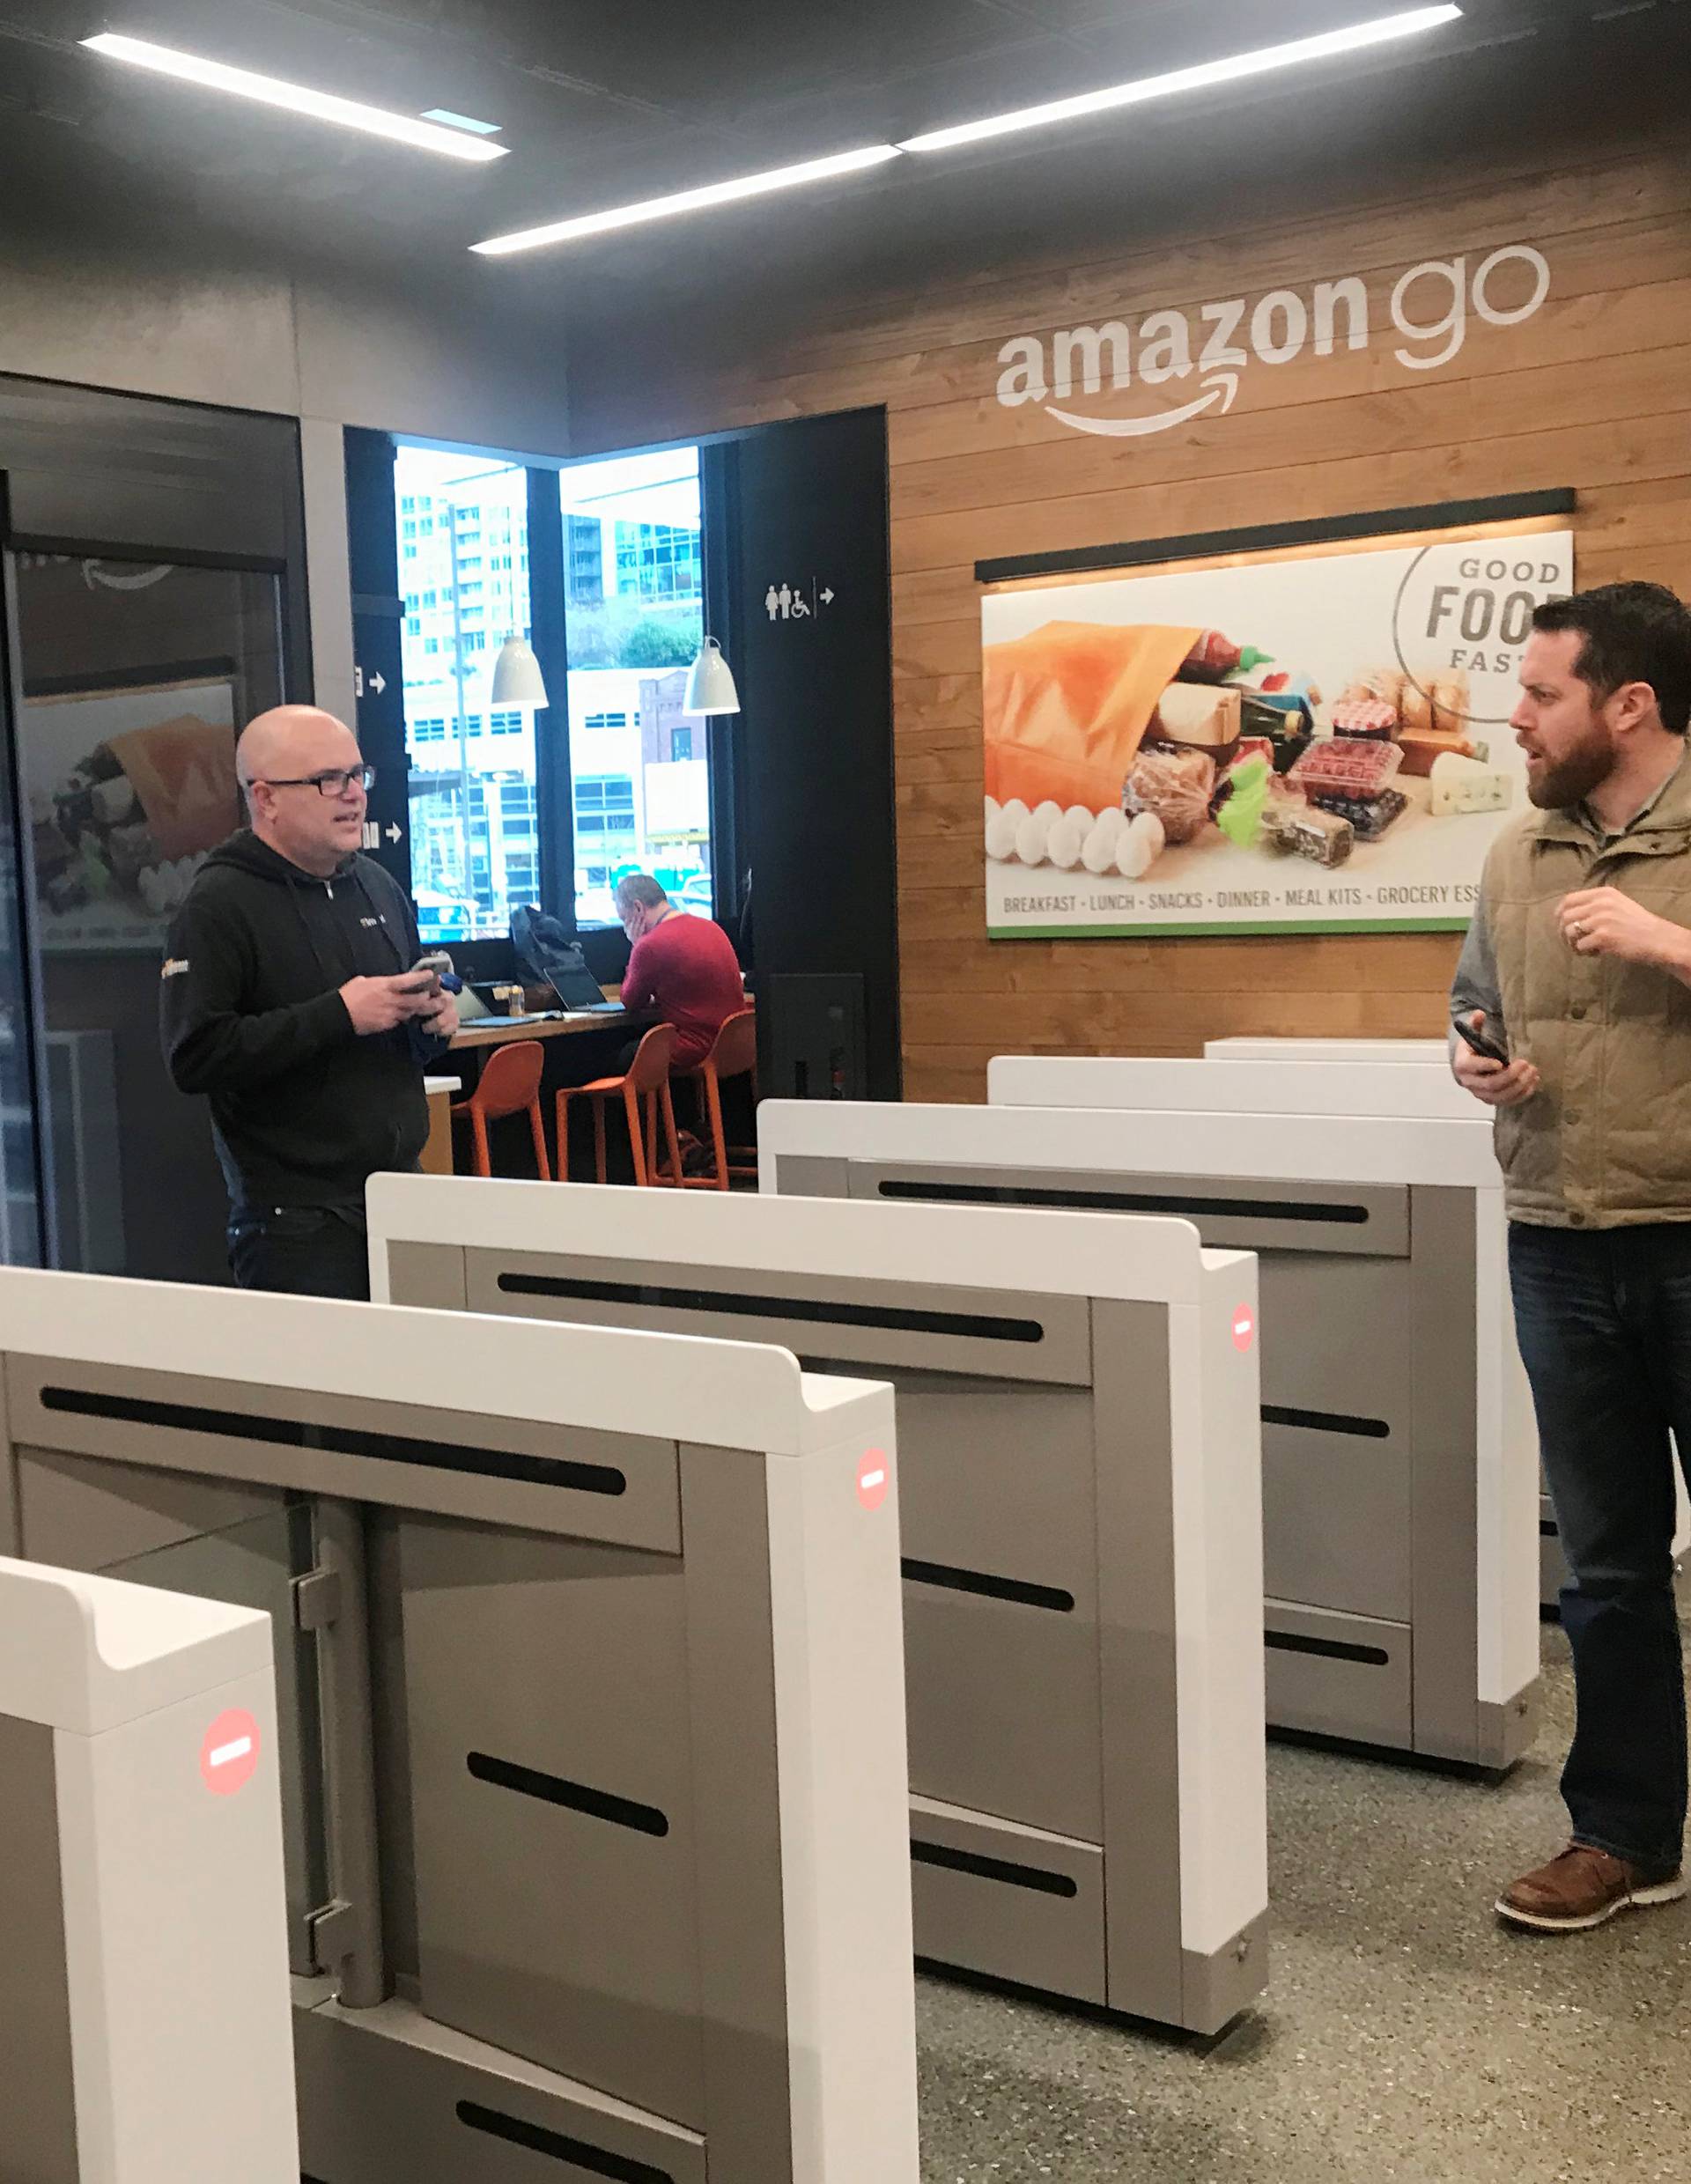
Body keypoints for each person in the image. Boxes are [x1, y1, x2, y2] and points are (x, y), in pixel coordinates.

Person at [1450, 579, 1691, 1932]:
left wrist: (1665, 941)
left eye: (1543, 696)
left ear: (1629, 704)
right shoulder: (1513, 855)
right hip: (1558, 1239)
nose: (1519, 721)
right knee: (1607, 1569)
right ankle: (1623, 1837)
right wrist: (1477, 1062)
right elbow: (1470, 1003)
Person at [160, 705, 457, 1300]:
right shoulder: (218, 904)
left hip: (403, 1194)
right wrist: (339, 1014)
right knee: (322, 1394)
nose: (352, 796)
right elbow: (195, 1056)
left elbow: (398, 1039)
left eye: (357, 776)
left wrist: (431, 1022)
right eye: (328, 780)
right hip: (296, 1224)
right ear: (265, 799)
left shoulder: (376, 884)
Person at [615, 872, 745, 1073]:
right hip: (735, 1043)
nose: (625, 928)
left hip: (695, 1048)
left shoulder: (650, 945)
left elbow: (630, 1001)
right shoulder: (711, 927)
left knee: (624, 1055)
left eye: (624, 919)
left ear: (638, 908)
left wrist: (636, 944)